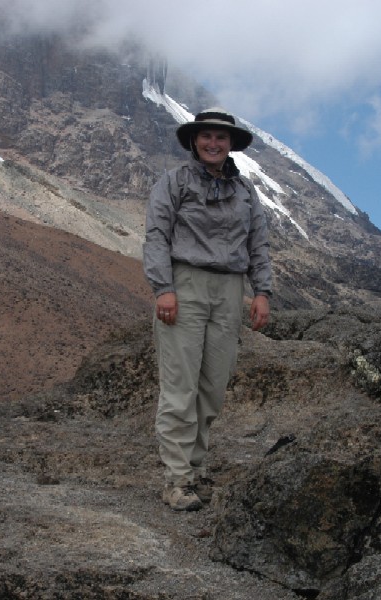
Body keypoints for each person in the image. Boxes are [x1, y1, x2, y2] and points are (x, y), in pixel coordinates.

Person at [143, 107, 273, 511]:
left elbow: (258, 245)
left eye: (221, 137)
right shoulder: (174, 183)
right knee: (180, 385)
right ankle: (177, 479)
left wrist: (262, 292)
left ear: (231, 143)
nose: (213, 143)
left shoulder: (246, 192)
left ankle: (194, 472)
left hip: (230, 291)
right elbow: (156, 235)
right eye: (206, 137)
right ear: (194, 141)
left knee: (212, 388)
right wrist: (163, 287)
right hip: (185, 286)